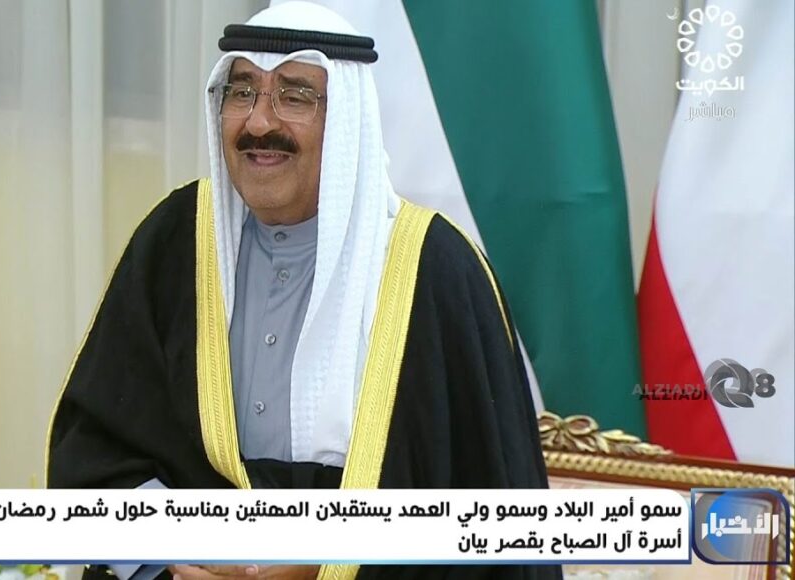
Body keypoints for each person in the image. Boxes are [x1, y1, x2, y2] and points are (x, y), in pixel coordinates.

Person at [46, 3, 559, 579]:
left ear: (347, 121)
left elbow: (488, 509)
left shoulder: (435, 268)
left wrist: (331, 564)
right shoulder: (177, 239)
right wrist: (167, 558)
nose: (259, 123)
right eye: (242, 92)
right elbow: (95, 448)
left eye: (294, 97)